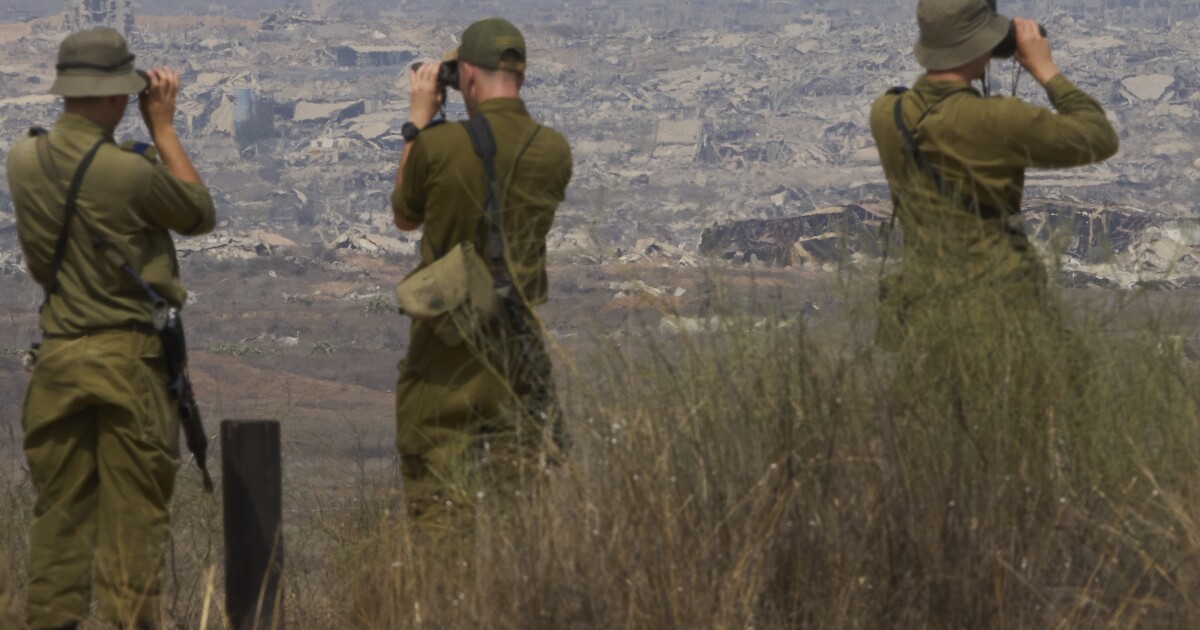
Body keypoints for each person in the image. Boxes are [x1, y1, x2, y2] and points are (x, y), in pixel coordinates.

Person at [7, 28, 215, 629]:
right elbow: (199, 214)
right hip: (129, 365)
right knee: (133, 535)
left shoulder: (23, 160)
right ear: (111, 96)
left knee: (58, 526)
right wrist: (164, 128)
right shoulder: (126, 173)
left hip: (57, 364)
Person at [390, 17, 572, 523]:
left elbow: (405, 214)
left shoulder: (439, 146)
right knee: (522, 515)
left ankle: (451, 601)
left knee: (441, 510)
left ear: (467, 75)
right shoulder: (554, 152)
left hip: (449, 347)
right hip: (518, 342)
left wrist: (418, 121)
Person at [870, 0, 1118, 349]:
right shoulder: (996, 120)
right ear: (983, 43)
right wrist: (1044, 69)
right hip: (1001, 321)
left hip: (924, 322)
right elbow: (1098, 137)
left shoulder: (887, 113)